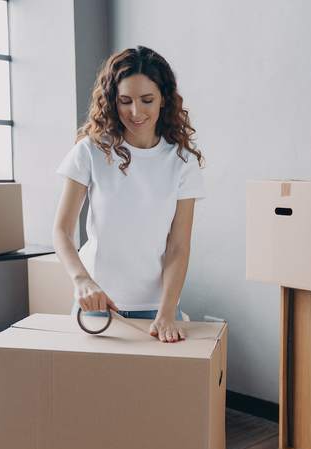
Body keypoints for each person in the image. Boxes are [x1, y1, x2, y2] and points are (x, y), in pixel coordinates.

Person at [52, 46, 205, 343]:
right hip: (97, 303)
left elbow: (178, 247)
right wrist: (82, 281)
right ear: (112, 101)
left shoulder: (182, 162)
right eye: (125, 101)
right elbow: (61, 230)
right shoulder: (90, 151)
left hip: (156, 308)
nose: (136, 112)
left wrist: (167, 312)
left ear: (164, 99)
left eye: (147, 100)